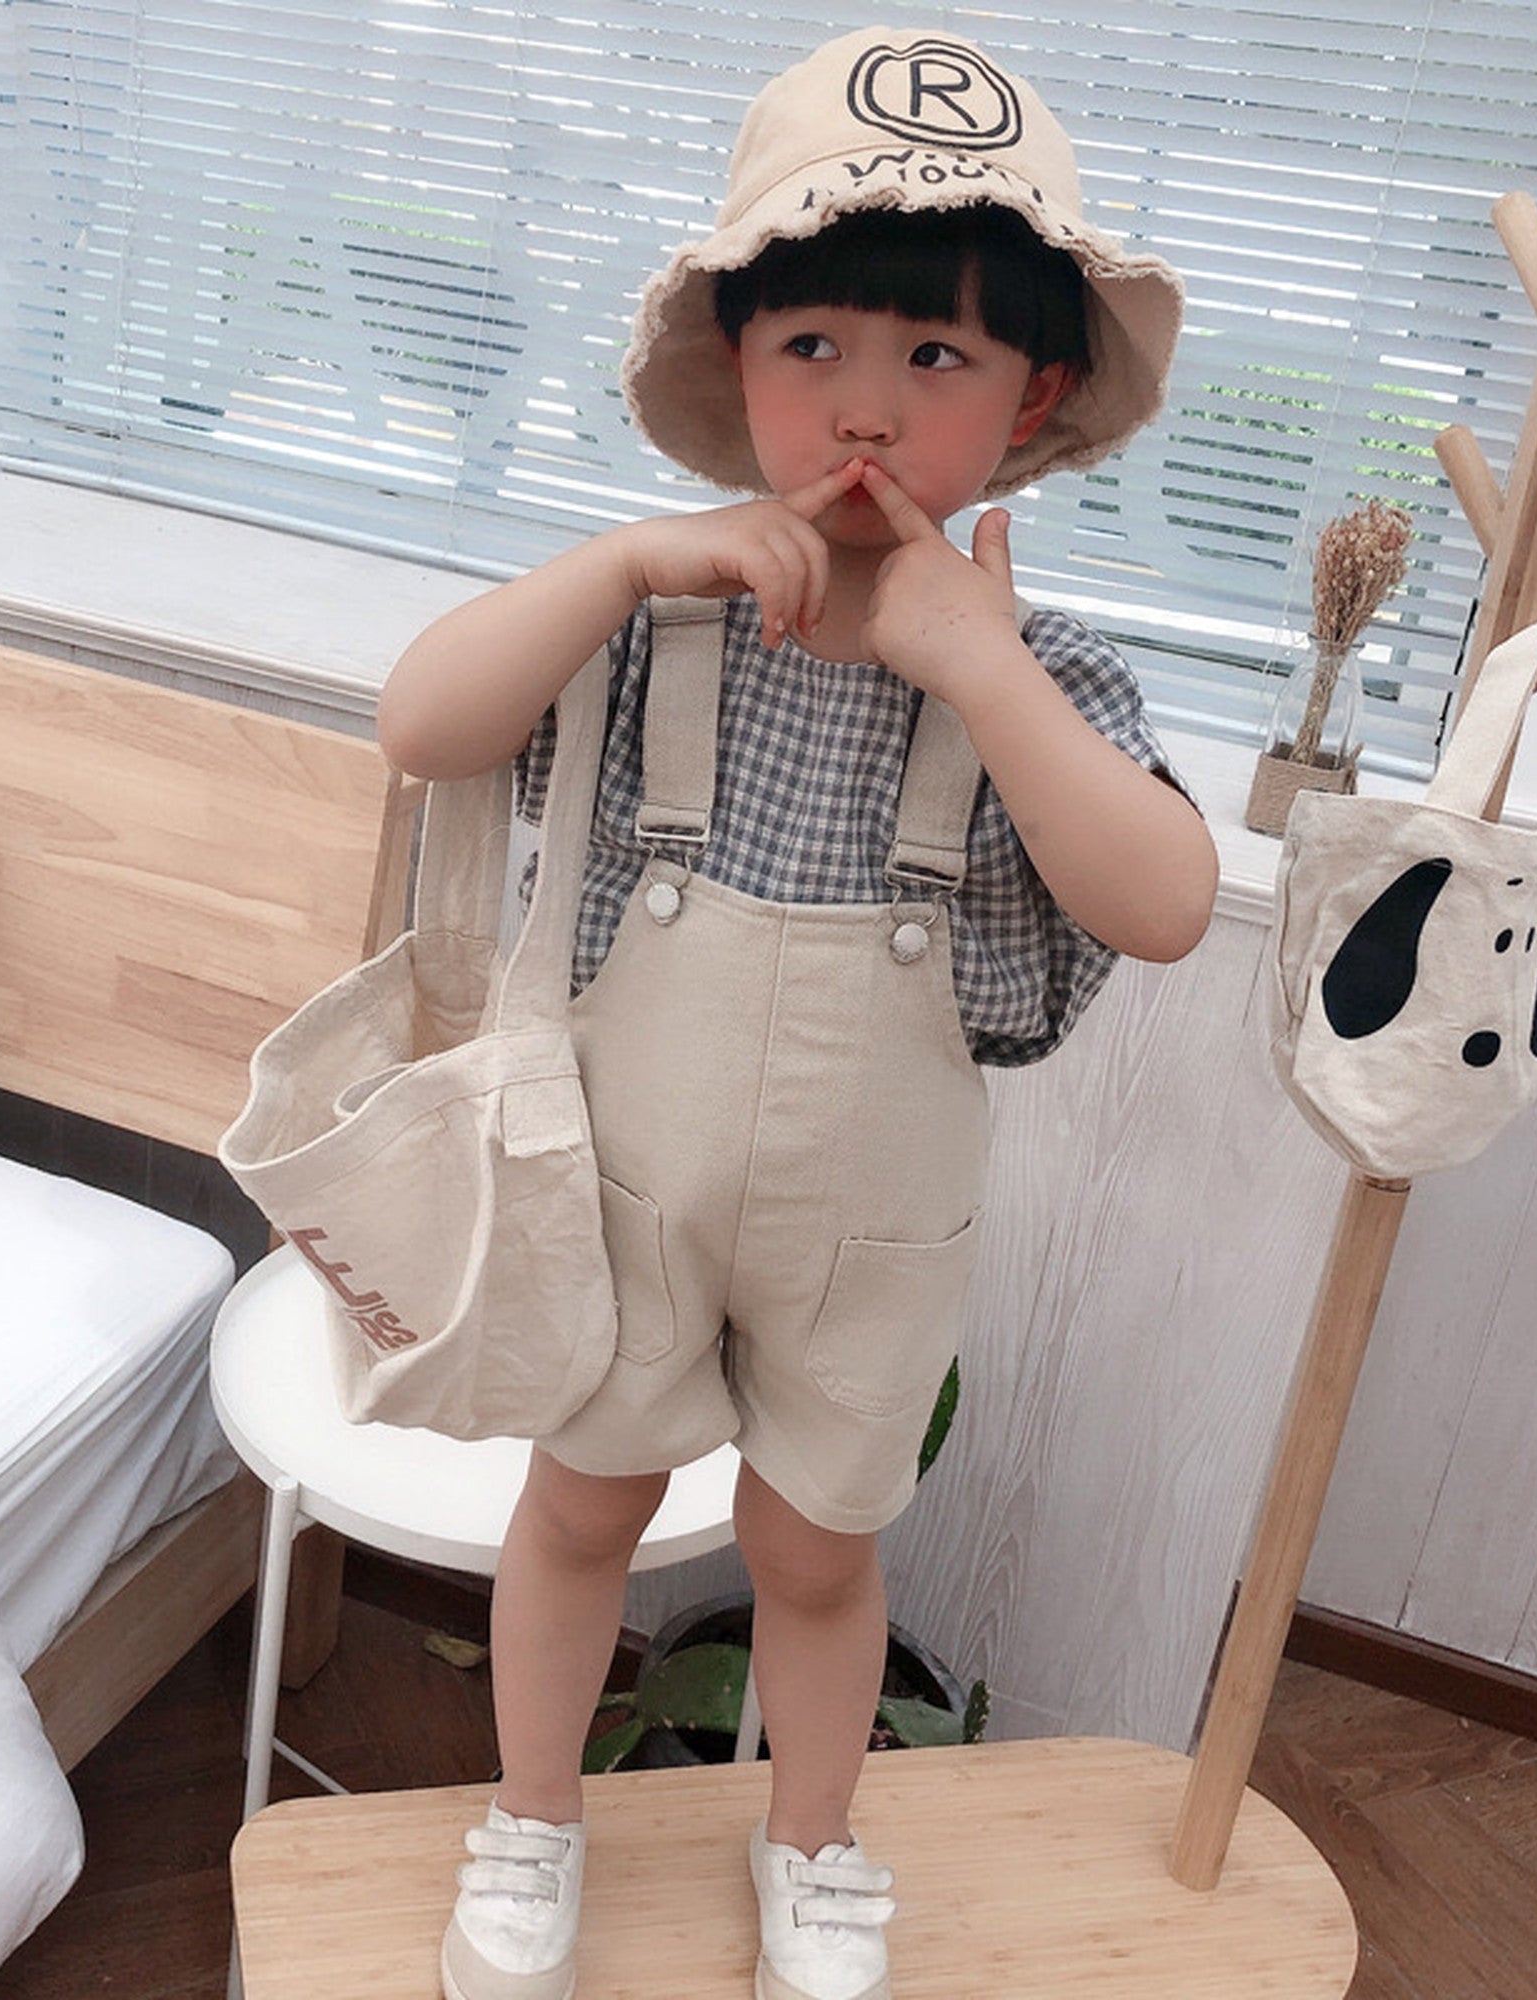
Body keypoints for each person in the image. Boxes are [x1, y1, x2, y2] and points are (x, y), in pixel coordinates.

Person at [377, 25, 1217, 2000]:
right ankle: (534, 1816)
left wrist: (980, 669)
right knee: (578, 1507)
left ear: (1034, 395)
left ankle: (812, 1842)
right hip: (628, 1193)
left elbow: (1168, 904)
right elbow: (422, 725)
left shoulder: (1041, 671)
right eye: (814, 343)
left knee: (821, 1552)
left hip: (872, 1231)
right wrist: (618, 561)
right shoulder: (654, 615)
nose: (865, 404)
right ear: (736, 362)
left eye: (936, 356)